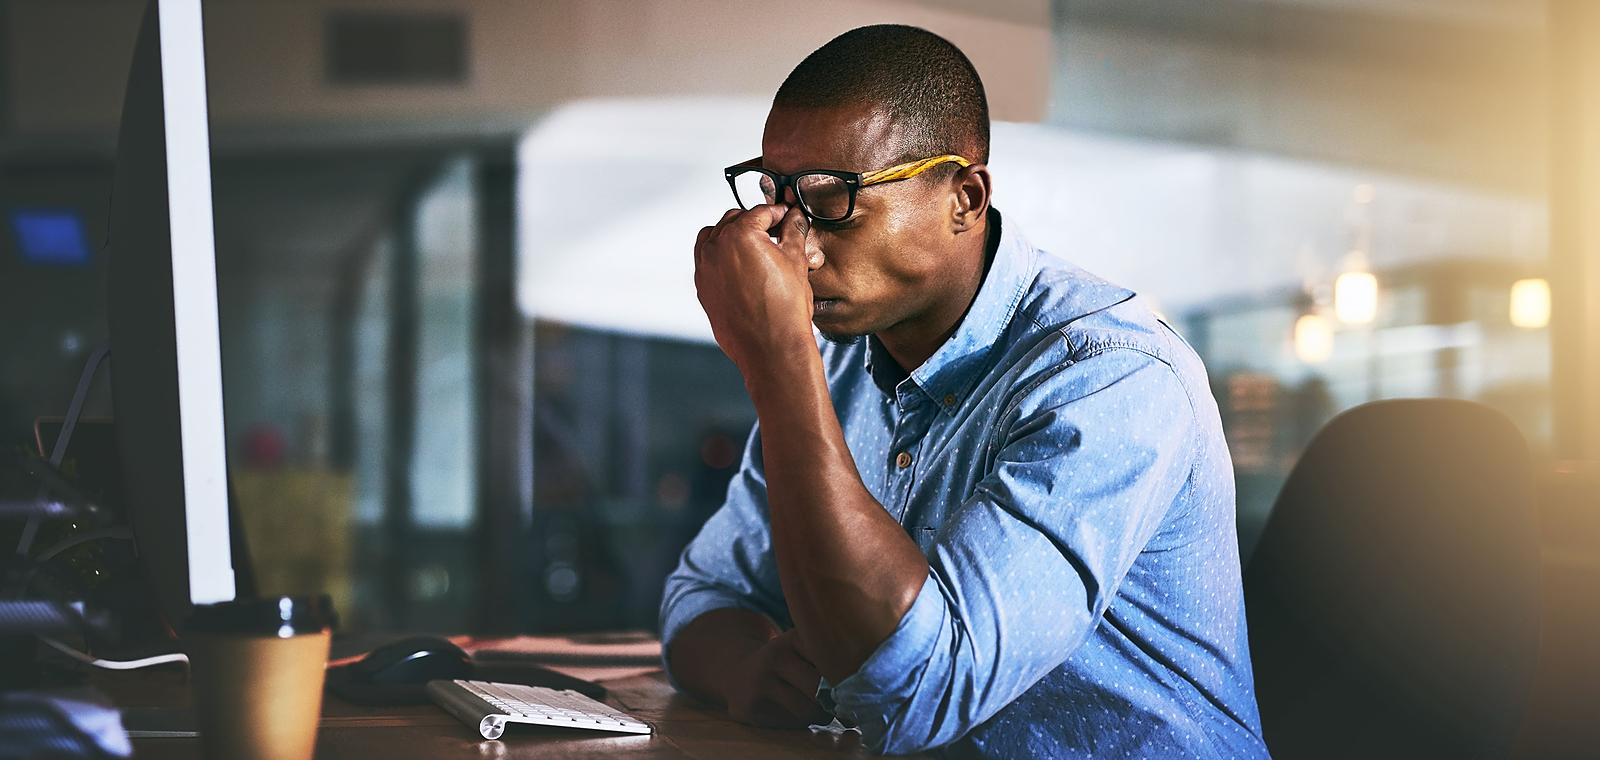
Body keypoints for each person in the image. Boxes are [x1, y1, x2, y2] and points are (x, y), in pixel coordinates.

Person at [661, 24, 1268, 758]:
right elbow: (701, 594)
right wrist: (747, 669)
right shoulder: (845, 366)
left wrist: (778, 359)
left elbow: (916, 691)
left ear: (965, 198)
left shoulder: (1112, 378)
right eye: (778, 198)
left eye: (833, 198)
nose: (799, 246)